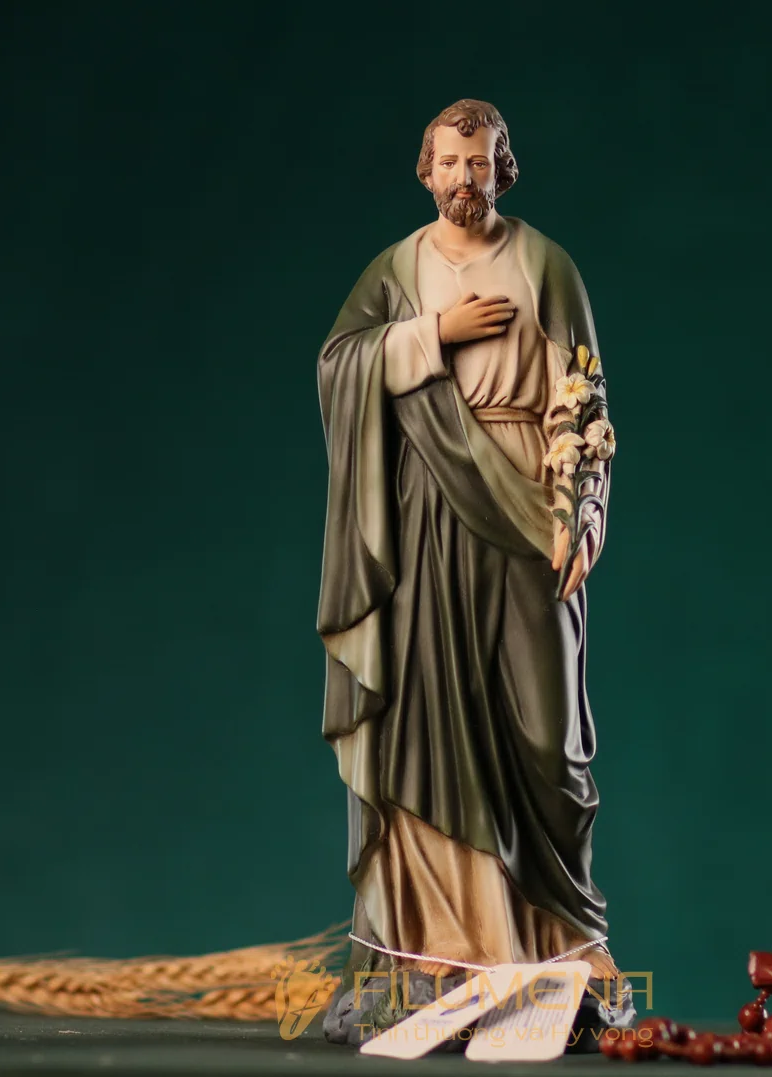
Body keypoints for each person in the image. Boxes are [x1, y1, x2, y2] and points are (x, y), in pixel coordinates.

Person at [313, 98, 628, 1046]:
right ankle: (435, 948)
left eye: (480, 162)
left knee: (546, 737)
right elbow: (337, 367)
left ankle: (564, 941)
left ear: (504, 169)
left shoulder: (545, 264)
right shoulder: (396, 270)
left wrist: (582, 508)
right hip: (427, 512)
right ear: (426, 170)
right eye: (449, 162)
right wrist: (432, 335)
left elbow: (585, 393)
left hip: (527, 507)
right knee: (426, 714)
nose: (464, 178)